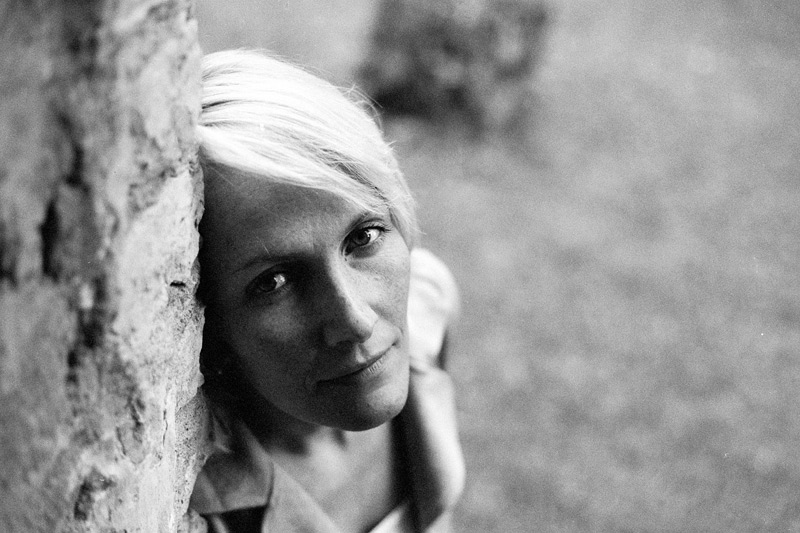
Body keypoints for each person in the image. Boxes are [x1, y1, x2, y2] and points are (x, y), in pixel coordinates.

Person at [188, 49, 465, 533]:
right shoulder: (190, 508)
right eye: (273, 282)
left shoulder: (429, 304)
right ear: (210, 326)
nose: (355, 320)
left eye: (364, 237)